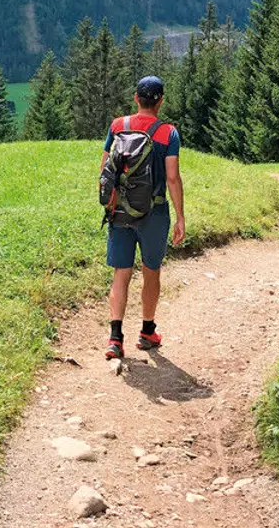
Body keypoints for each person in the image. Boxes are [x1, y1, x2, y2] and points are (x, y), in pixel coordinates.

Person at [101, 75, 185, 361]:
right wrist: (181, 218)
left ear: (136, 98)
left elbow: (104, 172)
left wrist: (110, 206)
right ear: (160, 101)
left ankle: (115, 338)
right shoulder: (168, 133)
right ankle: (147, 331)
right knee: (151, 271)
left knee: (120, 273)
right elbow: (172, 177)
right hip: (154, 213)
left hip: (120, 212)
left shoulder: (117, 126)